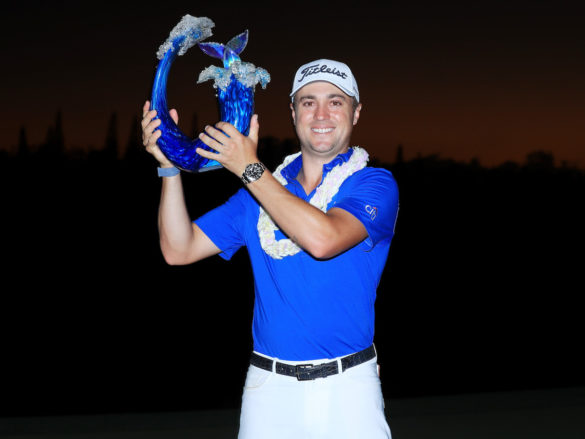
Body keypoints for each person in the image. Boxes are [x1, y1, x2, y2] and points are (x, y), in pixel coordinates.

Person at [142, 59, 399, 439]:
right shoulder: (257, 197)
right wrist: (169, 169)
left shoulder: (374, 184)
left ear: (356, 113)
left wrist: (249, 168)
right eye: (308, 102)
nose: (321, 114)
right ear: (293, 112)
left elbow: (323, 240)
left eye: (336, 102)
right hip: (269, 390)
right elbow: (179, 248)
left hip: (349, 389)